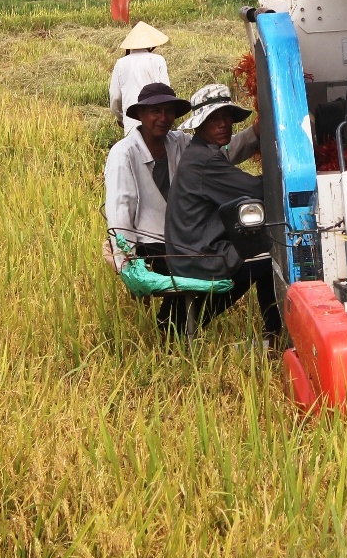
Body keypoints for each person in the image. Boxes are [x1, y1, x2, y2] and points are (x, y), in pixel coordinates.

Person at [104, 81, 262, 331]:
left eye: (168, 111)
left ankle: (174, 325)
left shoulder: (179, 142)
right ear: (141, 115)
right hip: (150, 243)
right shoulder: (124, 153)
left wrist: (254, 134)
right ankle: (176, 325)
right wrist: (127, 261)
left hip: (182, 236)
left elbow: (221, 153)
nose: (163, 118)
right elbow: (120, 208)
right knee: (204, 269)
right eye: (156, 111)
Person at [165, 84, 279, 336]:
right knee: (272, 258)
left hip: (190, 250)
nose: (223, 124)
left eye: (226, 116)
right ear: (199, 125)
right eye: (213, 118)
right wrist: (286, 177)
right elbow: (254, 190)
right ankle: (274, 333)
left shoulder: (200, 153)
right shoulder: (205, 161)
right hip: (200, 256)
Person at [110, 21, 171, 133]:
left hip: (131, 119)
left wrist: (120, 117)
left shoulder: (121, 63)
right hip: (156, 119)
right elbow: (166, 92)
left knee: (133, 149)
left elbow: (115, 96)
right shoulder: (158, 60)